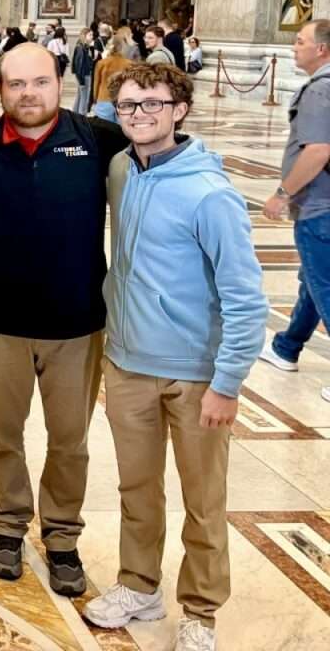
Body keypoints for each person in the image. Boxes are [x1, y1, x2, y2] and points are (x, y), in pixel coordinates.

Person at [84, 63, 267, 651]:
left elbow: (246, 299)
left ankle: (201, 610)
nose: (139, 116)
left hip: (196, 376)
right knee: (137, 489)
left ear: (180, 109)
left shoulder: (210, 194)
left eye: (152, 104)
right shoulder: (119, 170)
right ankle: (139, 584)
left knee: (203, 500)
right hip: (129, 362)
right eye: (128, 106)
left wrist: (228, 382)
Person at [0, 42, 126, 596]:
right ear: (0, 89)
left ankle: (61, 535)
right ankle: (7, 524)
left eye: (39, 82)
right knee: (3, 433)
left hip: (76, 322)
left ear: (61, 83)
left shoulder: (97, 141)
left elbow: (163, 165)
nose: (28, 94)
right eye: (16, 84)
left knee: (70, 439)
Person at [257, 20, 330, 388]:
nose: (293, 47)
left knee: (325, 283)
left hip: (320, 206)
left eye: (300, 42)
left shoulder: (320, 91)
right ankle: (287, 347)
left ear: (321, 49)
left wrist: (282, 194)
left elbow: (317, 150)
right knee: (313, 281)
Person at [71, 28, 96, 115]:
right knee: (84, 99)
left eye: (92, 35)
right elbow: (79, 65)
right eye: (90, 35)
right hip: (84, 75)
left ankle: (75, 115)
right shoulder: (81, 48)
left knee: (79, 96)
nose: (92, 37)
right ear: (84, 36)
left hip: (83, 74)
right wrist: (81, 80)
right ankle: (82, 118)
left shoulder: (84, 47)